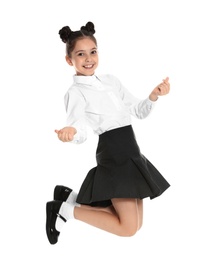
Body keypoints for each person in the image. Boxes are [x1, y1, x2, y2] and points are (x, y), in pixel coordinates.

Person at [46, 21, 170, 245]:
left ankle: (70, 199)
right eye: (81, 54)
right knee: (128, 227)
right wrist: (70, 132)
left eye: (92, 52)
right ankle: (62, 209)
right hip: (113, 153)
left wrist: (153, 96)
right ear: (69, 60)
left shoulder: (111, 81)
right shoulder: (75, 92)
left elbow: (137, 111)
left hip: (131, 151)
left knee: (136, 223)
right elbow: (79, 128)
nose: (88, 59)